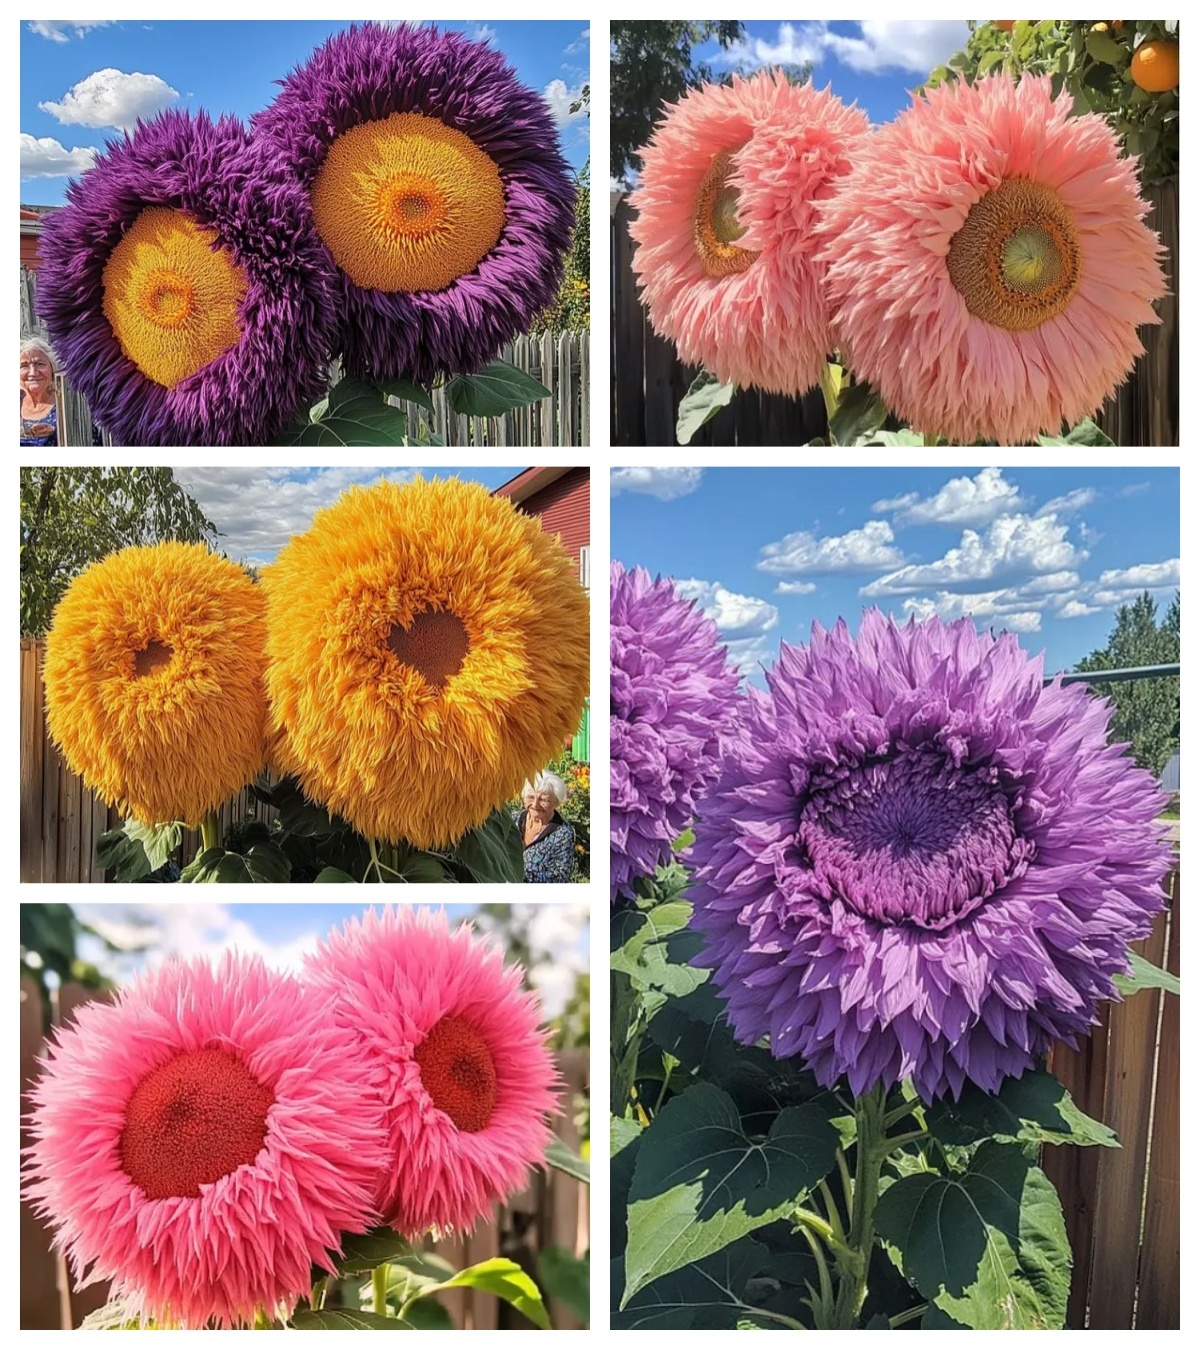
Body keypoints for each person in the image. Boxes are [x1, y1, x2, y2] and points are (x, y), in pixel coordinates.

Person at [513, 770, 575, 883]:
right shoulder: (513, 821)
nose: (535, 805)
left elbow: (559, 878)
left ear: (556, 803)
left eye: (543, 800)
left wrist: (513, 872)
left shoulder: (563, 834)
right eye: (531, 797)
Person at [20, 337, 59, 446]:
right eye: (24, 366)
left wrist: (56, 433)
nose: (33, 373)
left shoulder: (66, 403)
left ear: (52, 369)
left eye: (40, 364)